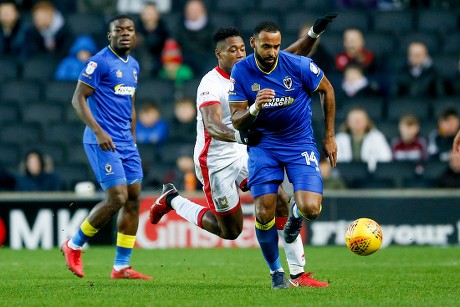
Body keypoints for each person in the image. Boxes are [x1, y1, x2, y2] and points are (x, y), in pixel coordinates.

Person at [151, 14, 337, 289]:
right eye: (231, 50)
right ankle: (173, 200)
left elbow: (292, 53)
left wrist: (313, 32)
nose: (238, 54)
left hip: (246, 151)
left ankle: (297, 274)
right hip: (216, 159)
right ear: (219, 54)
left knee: (280, 202)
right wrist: (245, 134)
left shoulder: (254, 67)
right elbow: (213, 126)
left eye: (241, 49)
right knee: (231, 230)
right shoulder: (210, 84)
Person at [228, 21, 337, 289]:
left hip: (299, 143)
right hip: (264, 146)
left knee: (311, 208)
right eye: (267, 46)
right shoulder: (241, 71)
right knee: (264, 211)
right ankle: (277, 273)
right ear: (253, 44)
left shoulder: (297, 65)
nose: (273, 51)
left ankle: (295, 219)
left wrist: (329, 136)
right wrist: (254, 109)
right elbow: (236, 119)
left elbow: (327, 89)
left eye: (277, 46)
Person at [61, 15, 151, 280]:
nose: (125, 34)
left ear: (135, 35)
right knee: (118, 198)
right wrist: (99, 131)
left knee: (134, 198)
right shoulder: (98, 62)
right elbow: (78, 99)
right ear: (109, 35)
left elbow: (129, 103)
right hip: (101, 139)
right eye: (118, 30)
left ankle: (121, 266)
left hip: (125, 141)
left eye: (130, 30)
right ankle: (73, 245)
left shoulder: (133, 65)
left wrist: (132, 138)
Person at [135, 2, 169, 76]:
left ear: (158, 15)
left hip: (161, 69)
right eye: (146, 13)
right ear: (142, 16)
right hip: (140, 70)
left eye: (151, 13)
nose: (149, 16)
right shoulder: (134, 33)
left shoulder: (166, 33)